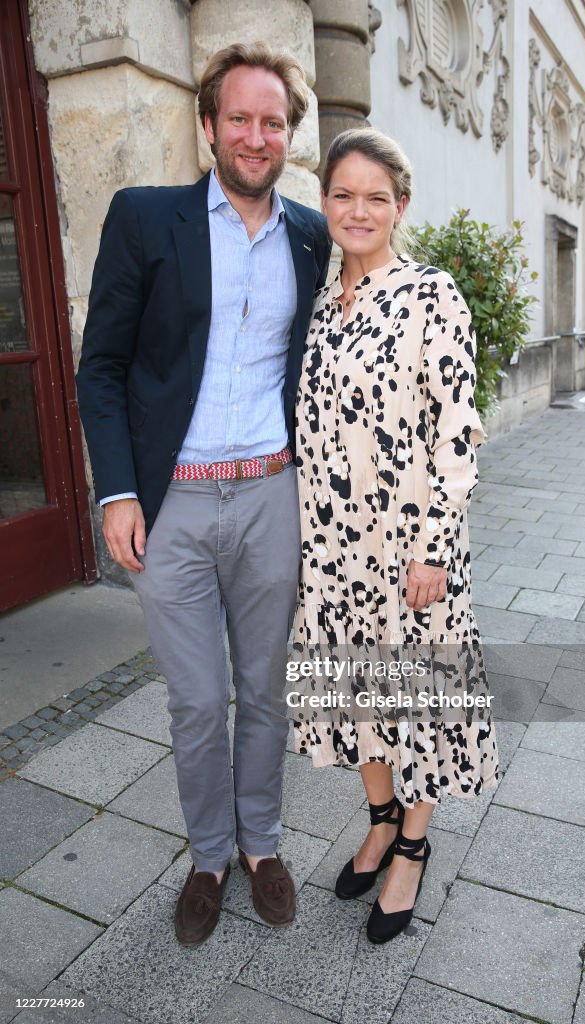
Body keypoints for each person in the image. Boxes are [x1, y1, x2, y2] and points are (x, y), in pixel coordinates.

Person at [76, 42, 331, 946]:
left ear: (287, 134)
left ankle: (261, 845)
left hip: (271, 496)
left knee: (264, 691)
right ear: (210, 125)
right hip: (173, 505)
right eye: (239, 118)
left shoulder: (310, 233)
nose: (254, 135)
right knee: (195, 700)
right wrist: (116, 493)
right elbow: (101, 364)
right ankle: (209, 855)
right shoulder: (146, 220)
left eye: (272, 121)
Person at [291, 128, 498, 944]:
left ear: (399, 207)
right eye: (343, 194)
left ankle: (412, 846)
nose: (358, 210)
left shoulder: (429, 293)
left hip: (407, 545)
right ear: (325, 203)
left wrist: (433, 549)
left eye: (376, 196)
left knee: (416, 697)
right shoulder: (314, 300)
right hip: (330, 544)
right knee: (355, 691)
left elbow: (456, 429)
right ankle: (377, 820)